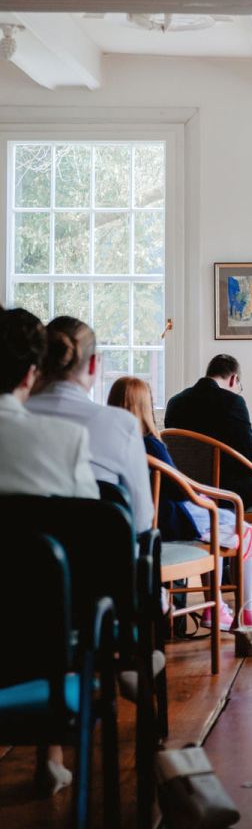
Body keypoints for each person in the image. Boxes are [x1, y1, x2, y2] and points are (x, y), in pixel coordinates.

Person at [0, 307, 99, 798]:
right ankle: (50, 758)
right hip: (38, 634)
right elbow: (93, 544)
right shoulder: (65, 440)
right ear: (31, 372)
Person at [108, 376, 252, 631]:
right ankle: (244, 611)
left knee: (216, 524)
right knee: (240, 528)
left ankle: (216, 606)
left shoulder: (109, 444)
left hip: (133, 524)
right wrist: (200, 497)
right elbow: (179, 490)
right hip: (170, 519)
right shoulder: (152, 445)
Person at [165, 354, 252, 597]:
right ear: (233, 379)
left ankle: (224, 571)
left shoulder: (176, 403)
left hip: (190, 493)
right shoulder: (232, 402)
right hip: (232, 491)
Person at [26, 316, 153, 534]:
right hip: (98, 563)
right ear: (93, 364)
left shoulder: (11, 420)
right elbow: (141, 521)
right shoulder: (122, 425)